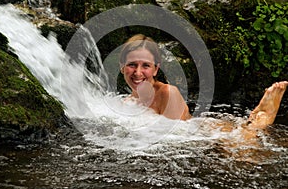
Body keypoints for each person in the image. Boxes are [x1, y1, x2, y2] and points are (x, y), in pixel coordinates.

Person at [119, 34, 287, 128]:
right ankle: (256, 118)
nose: (138, 72)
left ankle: (263, 118)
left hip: (214, 134)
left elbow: (174, 138)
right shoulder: (129, 102)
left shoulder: (167, 93)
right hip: (204, 133)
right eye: (132, 65)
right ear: (121, 67)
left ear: (156, 69)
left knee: (248, 154)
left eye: (146, 66)